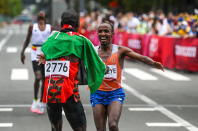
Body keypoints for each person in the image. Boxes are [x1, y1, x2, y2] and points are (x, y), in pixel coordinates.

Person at [39, 9, 106, 131]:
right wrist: (101, 72)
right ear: (77, 24)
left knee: (55, 127)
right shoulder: (81, 40)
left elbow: (43, 54)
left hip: (50, 89)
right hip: (69, 89)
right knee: (80, 128)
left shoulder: (52, 38)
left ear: (61, 23)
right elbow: (97, 63)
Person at [90, 22, 164, 131]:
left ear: (112, 34)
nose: (103, 34)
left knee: (113, 125)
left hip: (115, 93)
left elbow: (141, 58)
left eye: (106, 31)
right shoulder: (93, 51)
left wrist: (153, 63)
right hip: (97, 94)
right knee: (100, 129)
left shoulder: (120, 51)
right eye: (100, 31)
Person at [20, 11, 53, 114]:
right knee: (38, 77)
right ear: (38, 17)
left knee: (44, 79)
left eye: (43, 14)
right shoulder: (32, 27)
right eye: (40, 14)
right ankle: (35, 100)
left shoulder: (49, 28)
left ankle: (43, 102)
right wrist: (22, 52)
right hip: (35, 53)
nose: (41, 15)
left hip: (45, 54)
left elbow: (53, 41)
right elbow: (27, 40)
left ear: (45, 17)